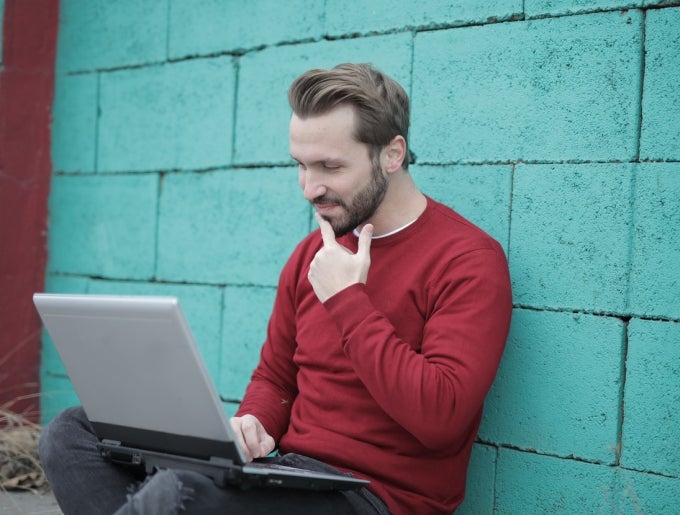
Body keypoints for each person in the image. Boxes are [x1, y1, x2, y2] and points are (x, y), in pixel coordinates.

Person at [39, 63, 512, 515]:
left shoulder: (467, 260)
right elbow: (276, 379)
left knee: (179, 493)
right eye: (301, 166)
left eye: (329, 166)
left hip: (373, 499)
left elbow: (440, 419)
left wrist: (348, 301)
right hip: (287, 474)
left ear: (392, 154)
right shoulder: (311, 253)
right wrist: (255, 424)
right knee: (72, 432)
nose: (309, 188)